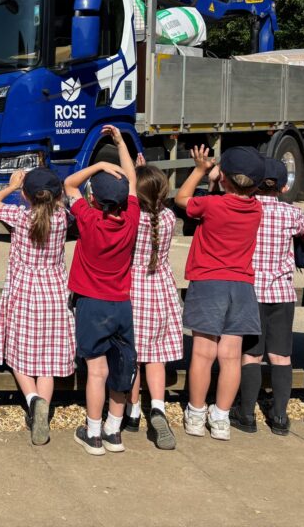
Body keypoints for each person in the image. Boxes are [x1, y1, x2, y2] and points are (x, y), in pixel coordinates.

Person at [174, 145, 265, 441]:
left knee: (203, 353)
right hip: (241, 286)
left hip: (209, 281)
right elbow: (234, 194)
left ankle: (196, 414)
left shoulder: (211, 206)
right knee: (230, 356)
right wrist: (219, 181)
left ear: (223, 177)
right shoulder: (256, 209)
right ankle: (222, 417)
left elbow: (182, 199)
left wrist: (200, 171)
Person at [64, 125, 140, 456]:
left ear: (95, 198)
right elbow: (134, 181)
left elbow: (68, 184)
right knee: (122, 364)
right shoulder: (133, 218)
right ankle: (114, 430)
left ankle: (93, 433)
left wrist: (97, 165)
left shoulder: (88, 220)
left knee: (96, 370)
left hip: (92, 304)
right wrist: (121, 143)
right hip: (121, 304)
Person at [0, 167, 73, 446]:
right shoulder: (62, 218)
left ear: (26, 195)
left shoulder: (20, 216)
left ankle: (32, 400)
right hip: (54, 293)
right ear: (56, 195)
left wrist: (12, 186)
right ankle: (43, 408)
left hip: (24, 291)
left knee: (19, 354)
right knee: (47, 360)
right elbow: (65, 198)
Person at [231, 157, 304, 436]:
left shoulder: (246, 209)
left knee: (251, 355)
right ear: (283, 187)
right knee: (281, 355)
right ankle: (280, 417)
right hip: (283, 293)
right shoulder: (292, 214)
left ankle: (247, 413)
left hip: (251, 290)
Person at [124, 157, 182, 450]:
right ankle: (157, 407)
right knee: (156, 357)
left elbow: (133, 197)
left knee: (133, 356)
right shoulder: (168, 219)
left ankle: (132, 411)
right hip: (160, 291)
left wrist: (131, 174)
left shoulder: (133, 219)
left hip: (133, 289)